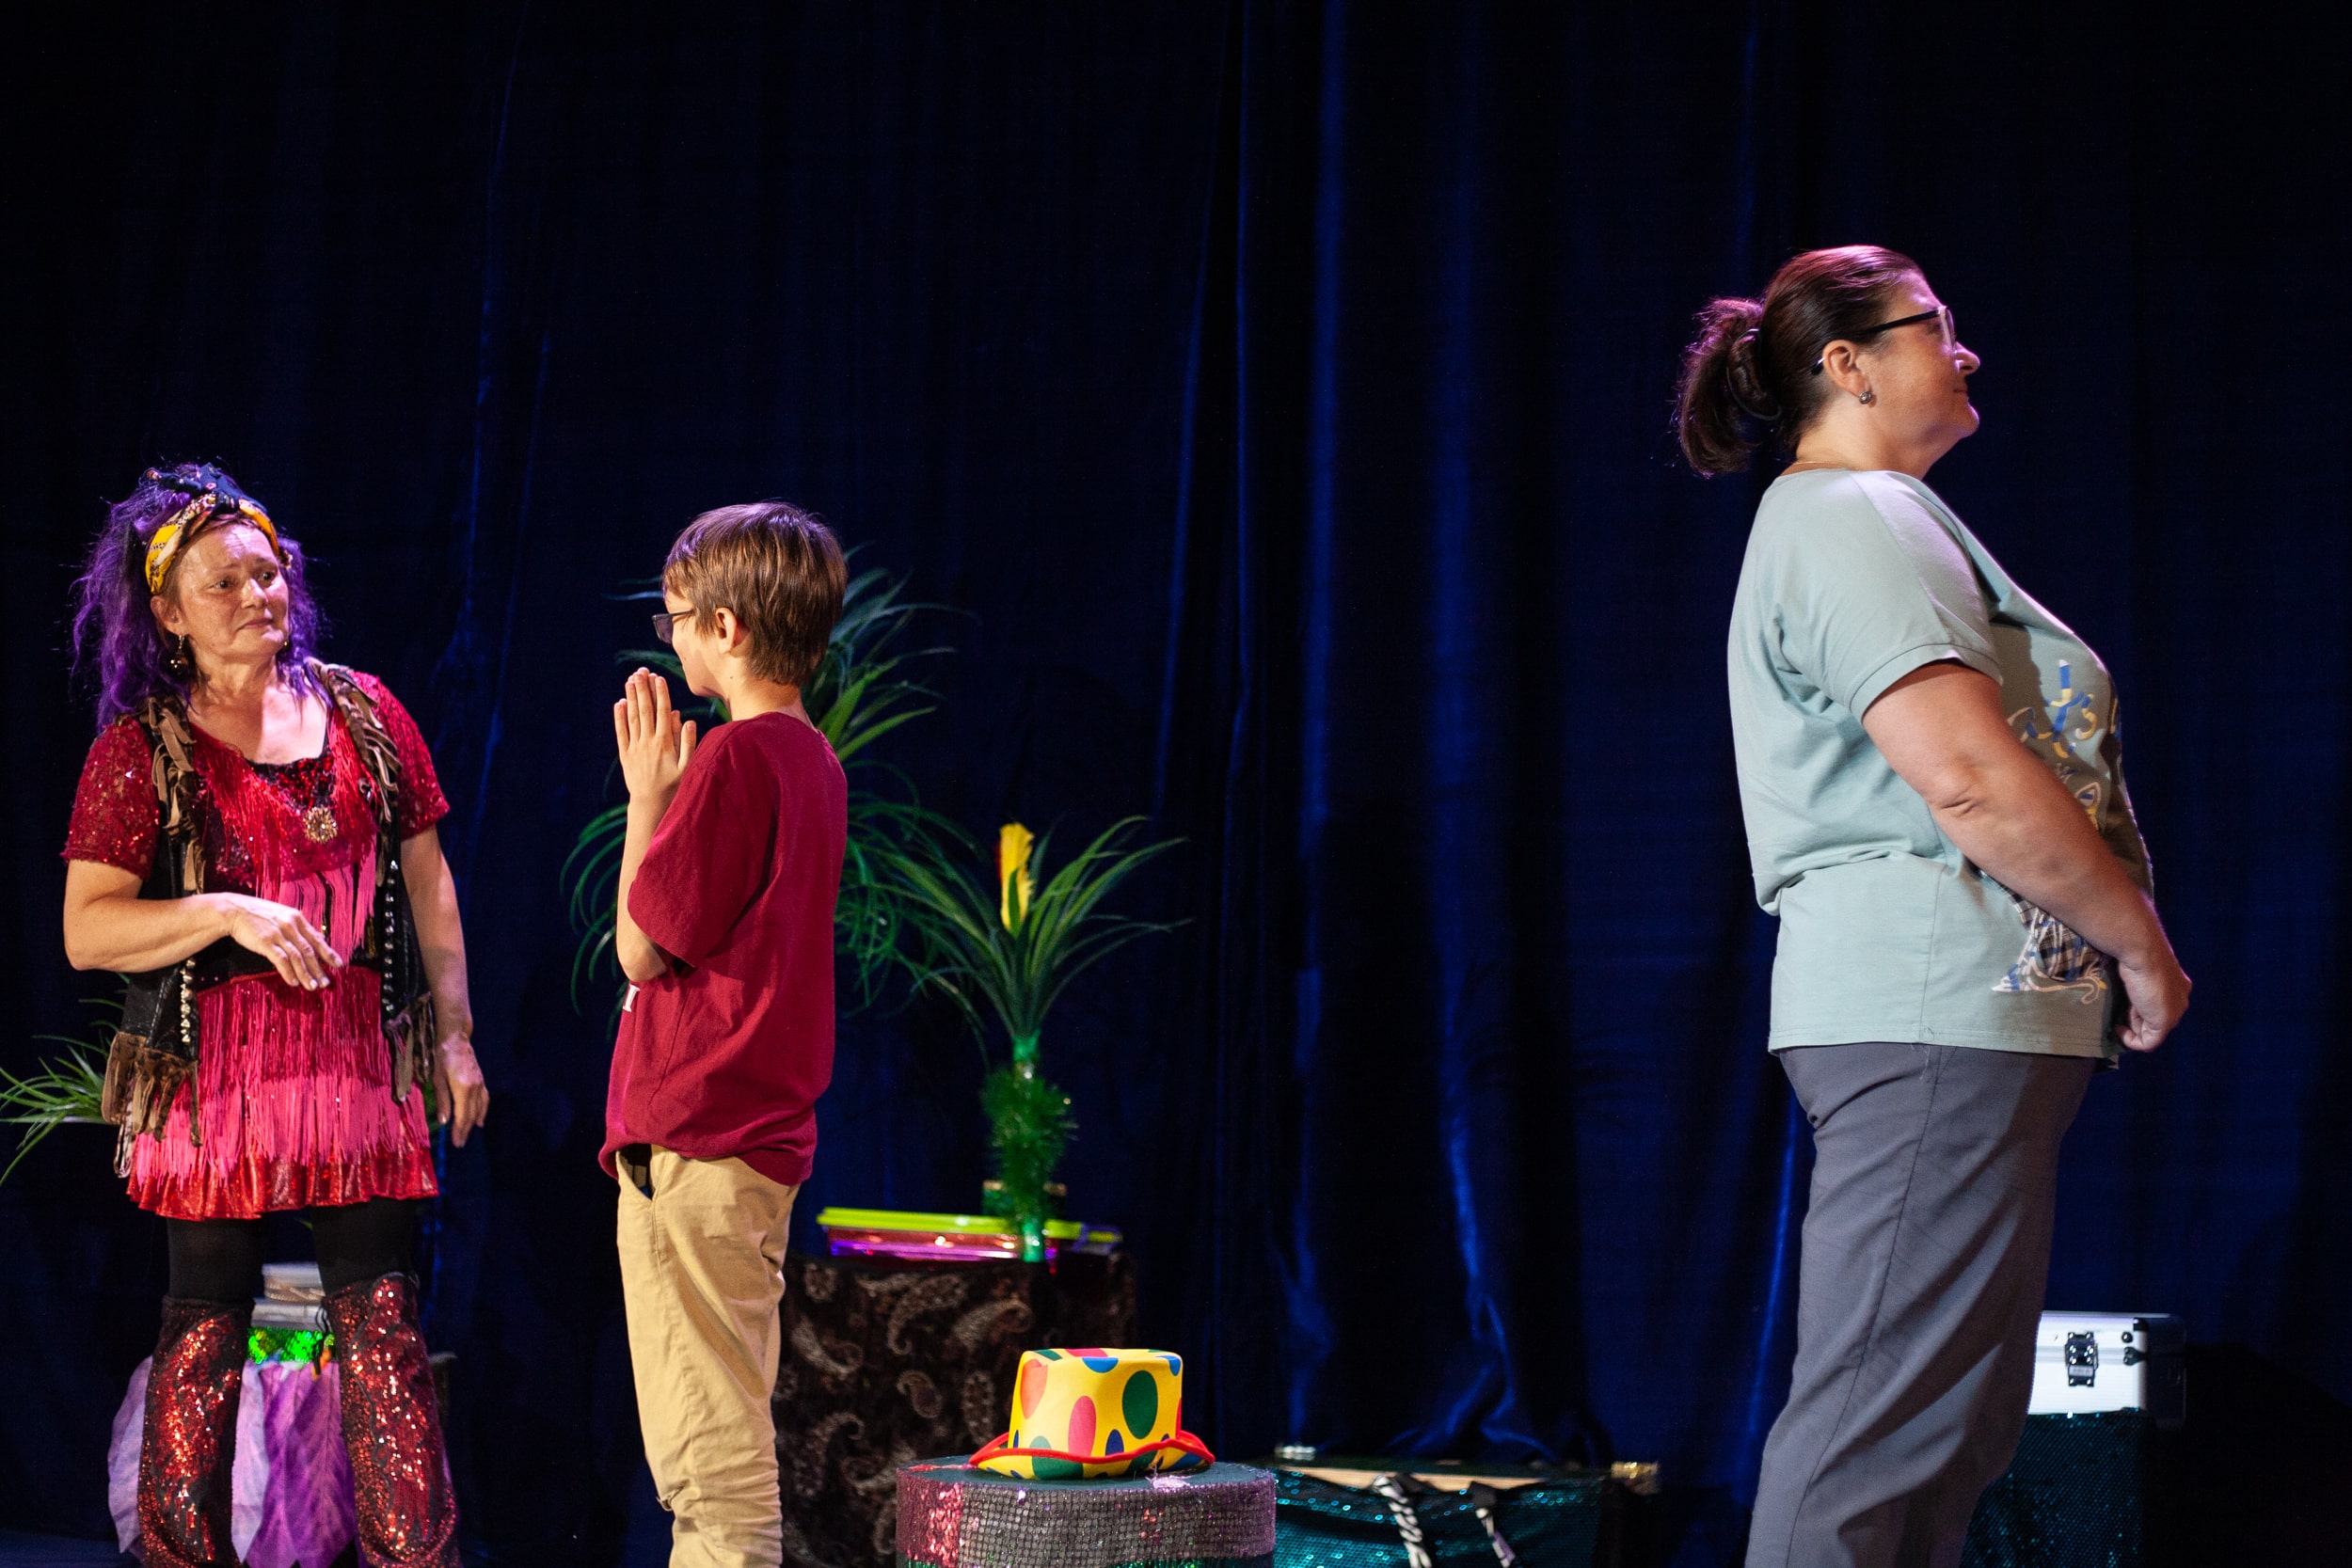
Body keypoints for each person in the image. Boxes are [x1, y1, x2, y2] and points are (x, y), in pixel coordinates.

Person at [1675, 247, 2192, 1568]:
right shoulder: (1850, 513)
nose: (1964, 351)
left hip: (1967, 1016)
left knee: (1939, 1433)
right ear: (1846, 364)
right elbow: (1965, 775)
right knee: (1877, 1435)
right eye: (1934, 326)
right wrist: (2139, 942)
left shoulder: (1876, 514)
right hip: (1928, 1005)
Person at [62, 463, 487, 1568]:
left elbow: (429, 879)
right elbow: (89, 929)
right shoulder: (142, 748)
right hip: (218, 1075)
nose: (259, 595)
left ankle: (414, 1558)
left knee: (381, 1329)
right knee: (204, 1326)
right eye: (226, 583)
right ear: (168, 613)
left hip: (353, 1061)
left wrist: (453, 1033)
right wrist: (230, 909)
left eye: (269, 572)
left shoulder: (366, 713)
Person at [603, 500, 849, 1568]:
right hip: (749, 1139)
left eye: (676, 620)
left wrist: (645, 800)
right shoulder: (814, 759)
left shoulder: (739, 759)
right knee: (723, 1428)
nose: (671, 640)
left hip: (701, 1138)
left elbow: (640, 947)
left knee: (710, 1461)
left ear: (727, 627)